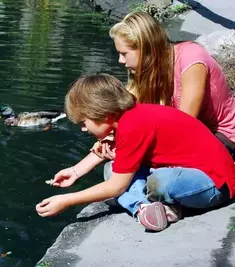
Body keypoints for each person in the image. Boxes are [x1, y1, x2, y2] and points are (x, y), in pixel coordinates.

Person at [35, 73, 235, 232]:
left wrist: (67, 200)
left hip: (215, 184)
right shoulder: (129, 117)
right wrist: (76, 171)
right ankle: (146, 209)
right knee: (112, 168)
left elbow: (115, 187)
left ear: (102, 115)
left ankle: (146, 204)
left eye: (84, 122)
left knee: (160, 182)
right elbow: (112, 152)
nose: (83, 129)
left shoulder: (133, 126)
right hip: (186, 173)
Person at [108, 11, 235, 159]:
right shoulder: (148, 69)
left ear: (146, 48)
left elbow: (183, 126)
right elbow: (131, 116)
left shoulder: (190, 58)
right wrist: (111, 137)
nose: (120, 61)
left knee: (157, 175)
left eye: (124, 54)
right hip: (196, 135)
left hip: (224, 136)